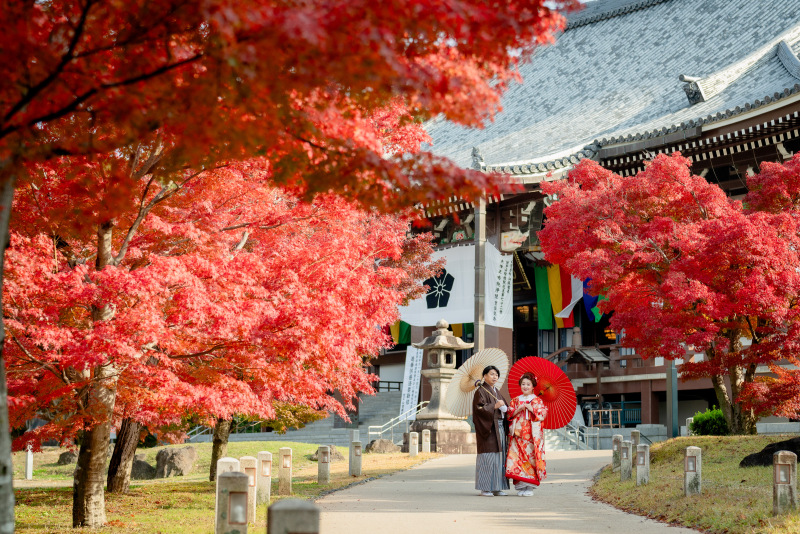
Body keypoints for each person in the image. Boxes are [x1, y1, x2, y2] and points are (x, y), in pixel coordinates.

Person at [505, 372, 548, 496]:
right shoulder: (515, 400)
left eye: (528, 384)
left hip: (531, 436)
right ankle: (521, 487)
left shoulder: (537, 400)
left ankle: (529, 487)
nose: (525, 386)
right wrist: (517, 409)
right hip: (517, 435)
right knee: (517, 459)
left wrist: (532, 409)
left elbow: (543, 414)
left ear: (533, 386)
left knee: (530, 459)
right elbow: (509, 413)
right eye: (523, 384)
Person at [472, 365, 510, 496]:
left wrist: (506, 409)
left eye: (496, 375)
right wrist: (494, 406)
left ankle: (497, 487)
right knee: (488, 457)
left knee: (499, 458)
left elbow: (505, 407)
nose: (495, 377)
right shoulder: (480, 391)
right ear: (484, 376)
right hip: (488, 429)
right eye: (492, 374)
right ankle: (485, 488)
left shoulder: (496, 391)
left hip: (499, 428)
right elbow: (479, 409)